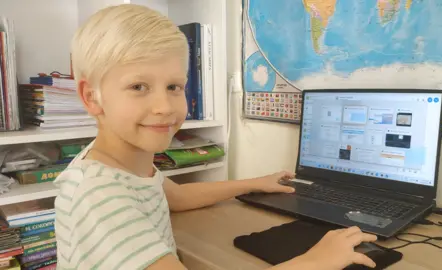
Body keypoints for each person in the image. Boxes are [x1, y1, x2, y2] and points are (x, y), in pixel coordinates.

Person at [53, 4, 377, 270]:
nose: (165, 107)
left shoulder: (126, 166)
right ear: (92, 97)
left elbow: (175, 198)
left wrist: (253, 183)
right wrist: (316, 261)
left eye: (174, 87)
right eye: (139, 87)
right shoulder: (97, 196)